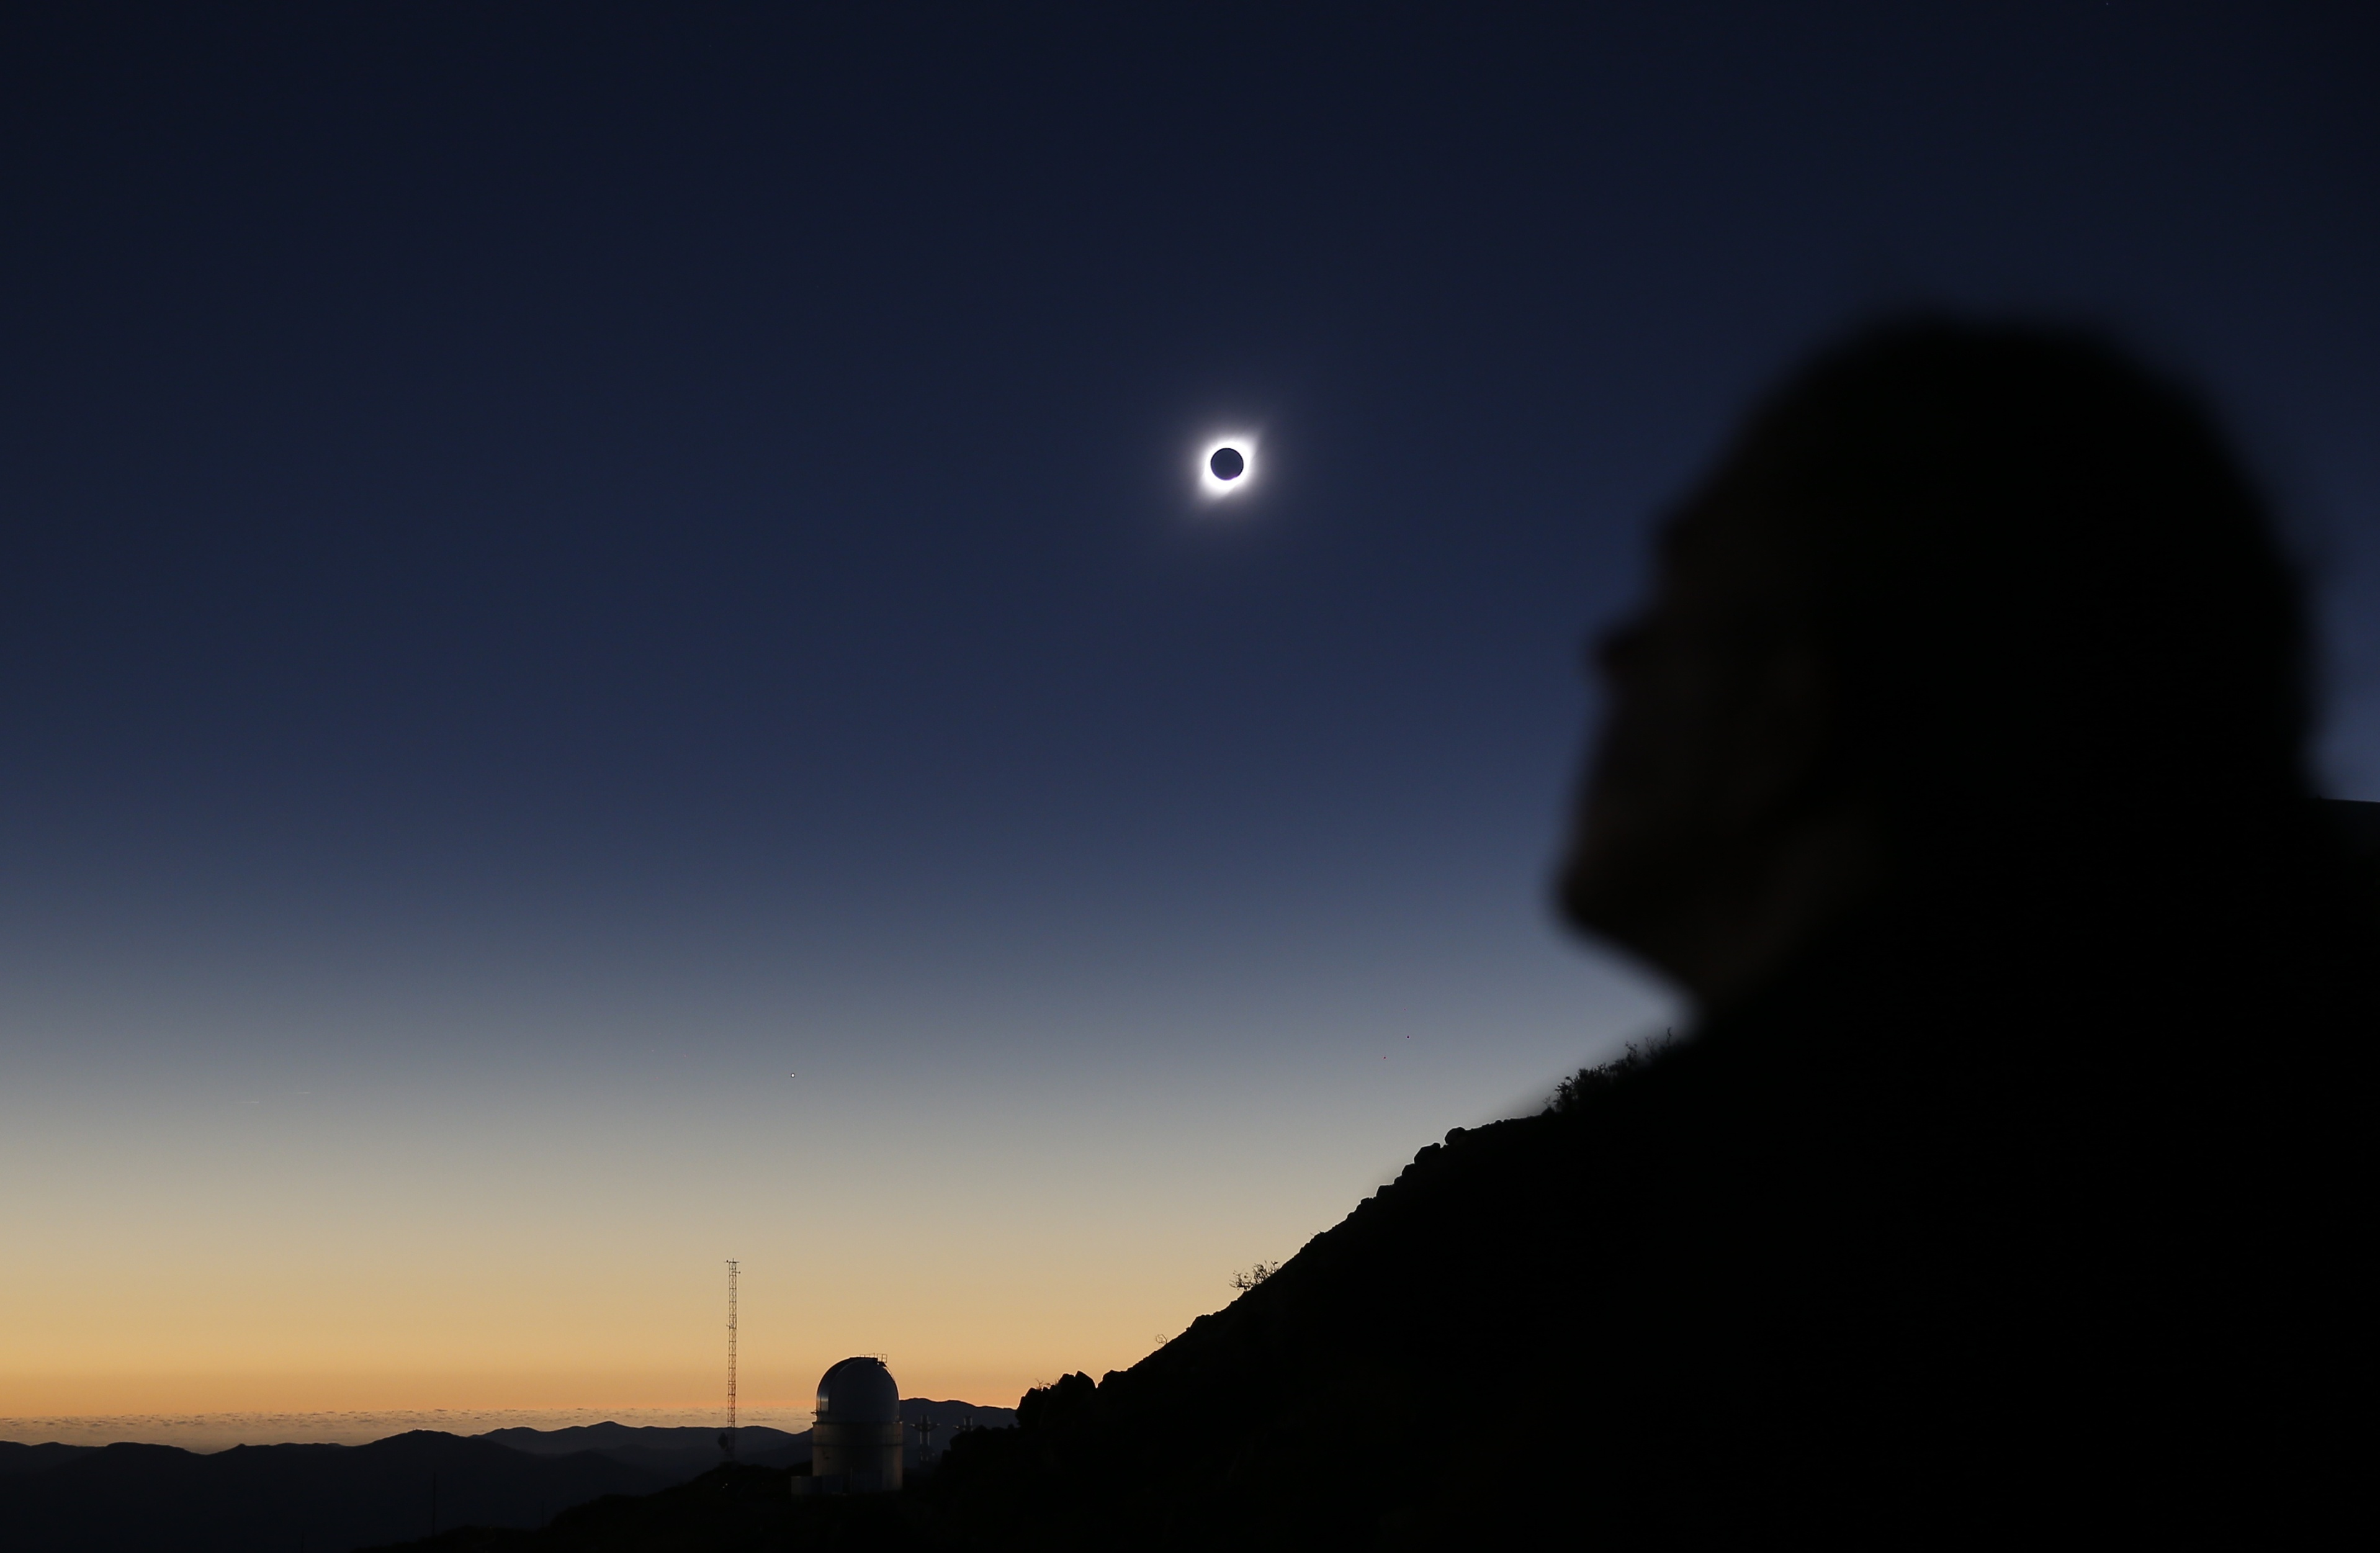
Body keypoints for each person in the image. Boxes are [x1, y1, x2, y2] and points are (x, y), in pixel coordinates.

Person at [928, 319, 2371, 1547]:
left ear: (1792, 717)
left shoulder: (1764, 1314)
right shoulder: (2184, 1171)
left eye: (1679, 602)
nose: (1604, 652)